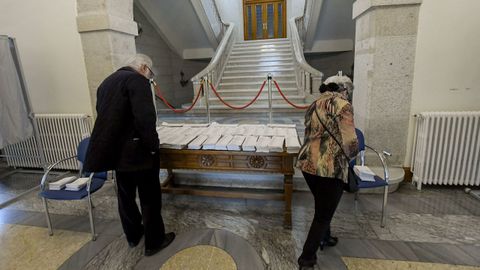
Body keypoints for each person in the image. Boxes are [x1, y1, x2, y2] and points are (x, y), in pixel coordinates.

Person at [83, 54, 175, 256]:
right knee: (150, 198)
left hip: (116, 153)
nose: (150, 78)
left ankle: (133, 235)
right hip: (138, 153)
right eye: (150, 74)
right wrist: (153, 146)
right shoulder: (137, 80)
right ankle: (154, 242)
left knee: (125, 197)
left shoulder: (106, 82)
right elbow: (145, 119)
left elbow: (109, 116)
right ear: (143, 67)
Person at [296, 82, 359, 269]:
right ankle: (306, 260)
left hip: (308, 164)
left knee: (323, 204)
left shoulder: (314, 104)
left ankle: (326, 237)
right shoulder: (344, 105)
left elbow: (307, 133)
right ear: (344, 91)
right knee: (323, 215)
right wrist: (352, 157)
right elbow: (351, 142)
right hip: (330, 168)